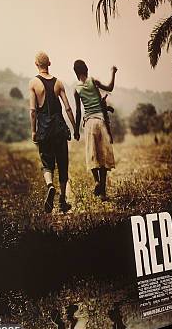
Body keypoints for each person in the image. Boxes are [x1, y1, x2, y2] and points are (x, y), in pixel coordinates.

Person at [29, 51, 75, 213]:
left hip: (44, 130)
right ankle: (62, 200)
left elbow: (33, 111)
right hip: (59, 129)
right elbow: (68, 108)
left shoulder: (34, 83)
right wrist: (75, 127)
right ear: (49, 64)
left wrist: (33, 131)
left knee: (47, 163)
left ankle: (50, 186)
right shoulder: (59, 83)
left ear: (36, 64)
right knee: (63, 163)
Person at [72, 60, 116, 202]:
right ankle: (103, 191)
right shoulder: (93, 81)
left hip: (89, 123)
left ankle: (96, 181)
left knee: (92, 155)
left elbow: (78, 112)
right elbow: (110, 87)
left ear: (76, 72)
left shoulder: (76, 90)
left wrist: (76, 130)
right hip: (100, 121)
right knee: (103, 156)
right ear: (87, 69)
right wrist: (113, 73)